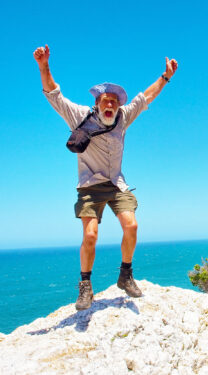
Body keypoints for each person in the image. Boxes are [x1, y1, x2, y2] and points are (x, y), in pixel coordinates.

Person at [33, 44, 178, 310]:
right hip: (89, 187)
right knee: (90, 236)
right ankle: (85, 286)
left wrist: (165, 76)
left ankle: (125, 274)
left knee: (132, 226)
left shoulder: (123, 118)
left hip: (116, 184)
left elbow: (145, 98)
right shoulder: (80, 116)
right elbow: (54, 95)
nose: (110, 104)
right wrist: (44, 66)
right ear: (97, 103)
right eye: (105, 101)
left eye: (114, 101)